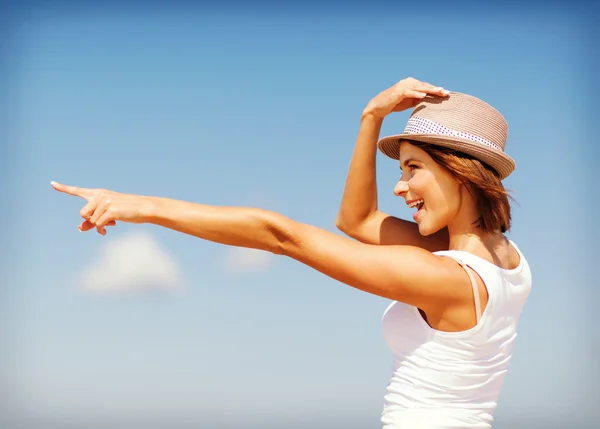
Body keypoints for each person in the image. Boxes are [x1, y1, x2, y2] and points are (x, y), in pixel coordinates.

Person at [52, 77, 532, 429]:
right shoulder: (507, 261)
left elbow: (279, 235)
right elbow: (358, 221)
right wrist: (371, 118)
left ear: (460, 172)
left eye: (412, 168)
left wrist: (145, 206)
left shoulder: (444, 278)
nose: (401, 187)